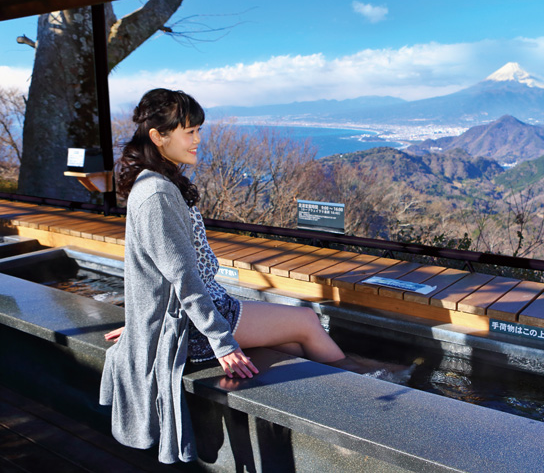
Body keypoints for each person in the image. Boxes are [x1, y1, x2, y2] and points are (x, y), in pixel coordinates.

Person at [99, 88, 359, 464]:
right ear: (158, 136)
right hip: (196, 326)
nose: (197, 140)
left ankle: (337, 408)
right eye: (189, 132)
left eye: (198, 131)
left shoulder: (154, 183)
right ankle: (361, 397)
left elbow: (150, 271)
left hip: (193, 315)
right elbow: (184, 280)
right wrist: (223, 343)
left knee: (291, 347)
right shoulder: (156, 193)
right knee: (305, 322)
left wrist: (144, 322)